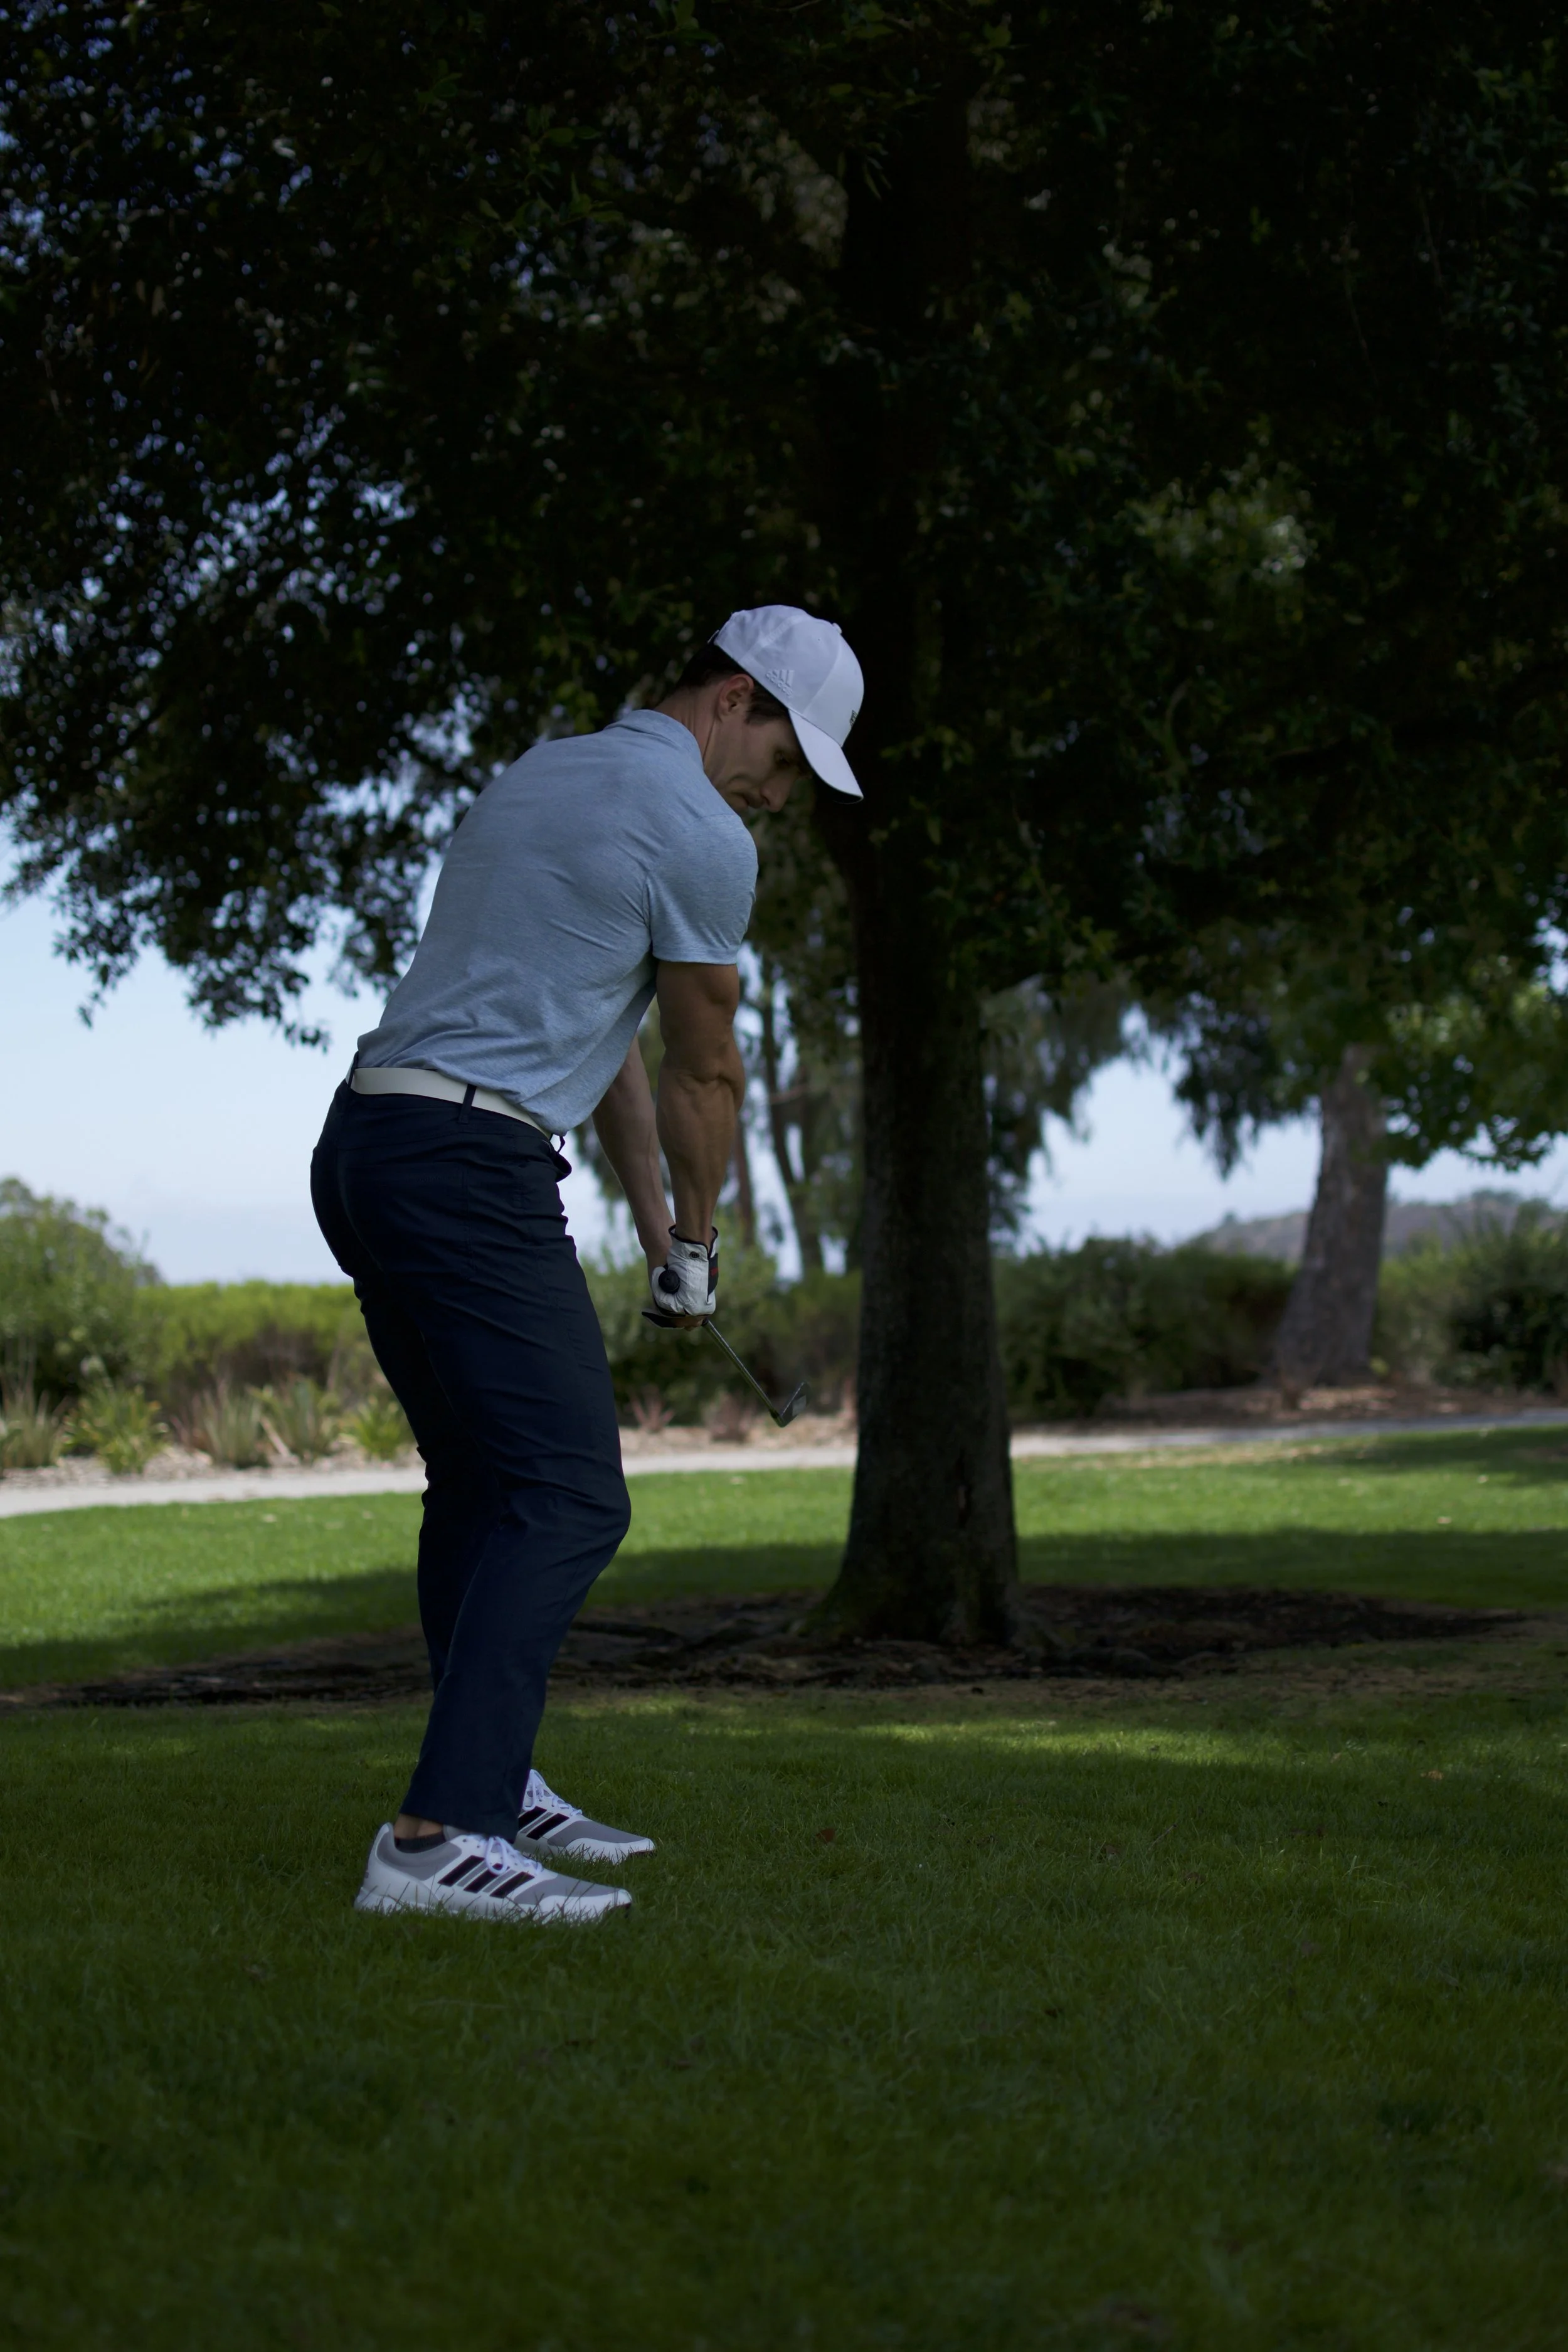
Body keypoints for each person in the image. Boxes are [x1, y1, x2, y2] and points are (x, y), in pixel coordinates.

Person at [310, 604, 865, 1923]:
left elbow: (601, 1035)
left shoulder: (544, 771)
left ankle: (493, 1780)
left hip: (367, 1142)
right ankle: (440, 1837)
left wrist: (652, 1232)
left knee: (485, 1485)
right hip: (466, 1168)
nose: (779, 799)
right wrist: (704, 1239)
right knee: (570, 1499)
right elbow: (700, 1067)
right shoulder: (700, 832)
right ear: (734, 698)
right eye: (783, 761)